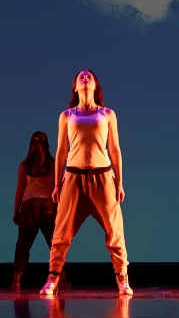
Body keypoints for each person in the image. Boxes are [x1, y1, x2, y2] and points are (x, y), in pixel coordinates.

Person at [40, 70, 132, 296]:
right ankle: (53, 277)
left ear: (95, 85)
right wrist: (57, 184)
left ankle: (122, 277)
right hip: (73, 178)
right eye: (81, 77)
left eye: (89, 76)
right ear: (75, 87)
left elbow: (115, 149)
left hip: (103, 177)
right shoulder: (67, 116)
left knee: (115, 231)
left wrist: (119, 182)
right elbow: (61, 151)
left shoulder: (107, 114)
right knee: (61, 232)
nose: (85, 78)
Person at [12, 132, 69, 290]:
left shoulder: (24, 165)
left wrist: (16, 211)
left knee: (23, 244)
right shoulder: (54, 163)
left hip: (29, 206)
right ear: (47, 144)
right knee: (55, 245)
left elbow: (20, 190)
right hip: (49, 206)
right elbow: (61, 189)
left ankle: (17, 278)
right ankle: (63, 278)